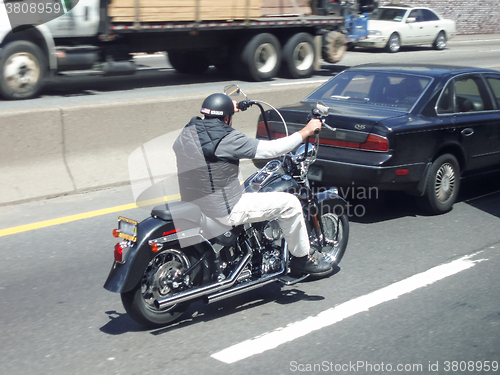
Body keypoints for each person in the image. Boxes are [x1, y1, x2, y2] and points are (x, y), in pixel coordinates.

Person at [173, 93, 333, 276]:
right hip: (222, 209)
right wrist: (306, 131)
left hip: (194, 202)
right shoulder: (227, 139)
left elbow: (210, 126)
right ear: (226, 118)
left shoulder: (188, 131)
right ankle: (301, 260)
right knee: (290, 204)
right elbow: (272, 150)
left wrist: (227, 107)